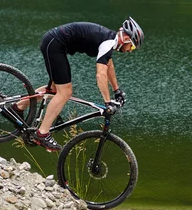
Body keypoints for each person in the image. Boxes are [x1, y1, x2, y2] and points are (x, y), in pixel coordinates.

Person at [9, 17, 144, 152]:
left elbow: (109, 66)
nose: (130, 50)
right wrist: (108, 102)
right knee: (65, 92)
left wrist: (117, 90)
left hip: (54, 43)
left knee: (55, 91)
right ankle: (42, 133)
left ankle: (17, 107)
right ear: (126, 38)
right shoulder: (108, 43)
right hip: (55, 44)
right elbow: (100, 75)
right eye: (131, 46)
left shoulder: (109, 42)